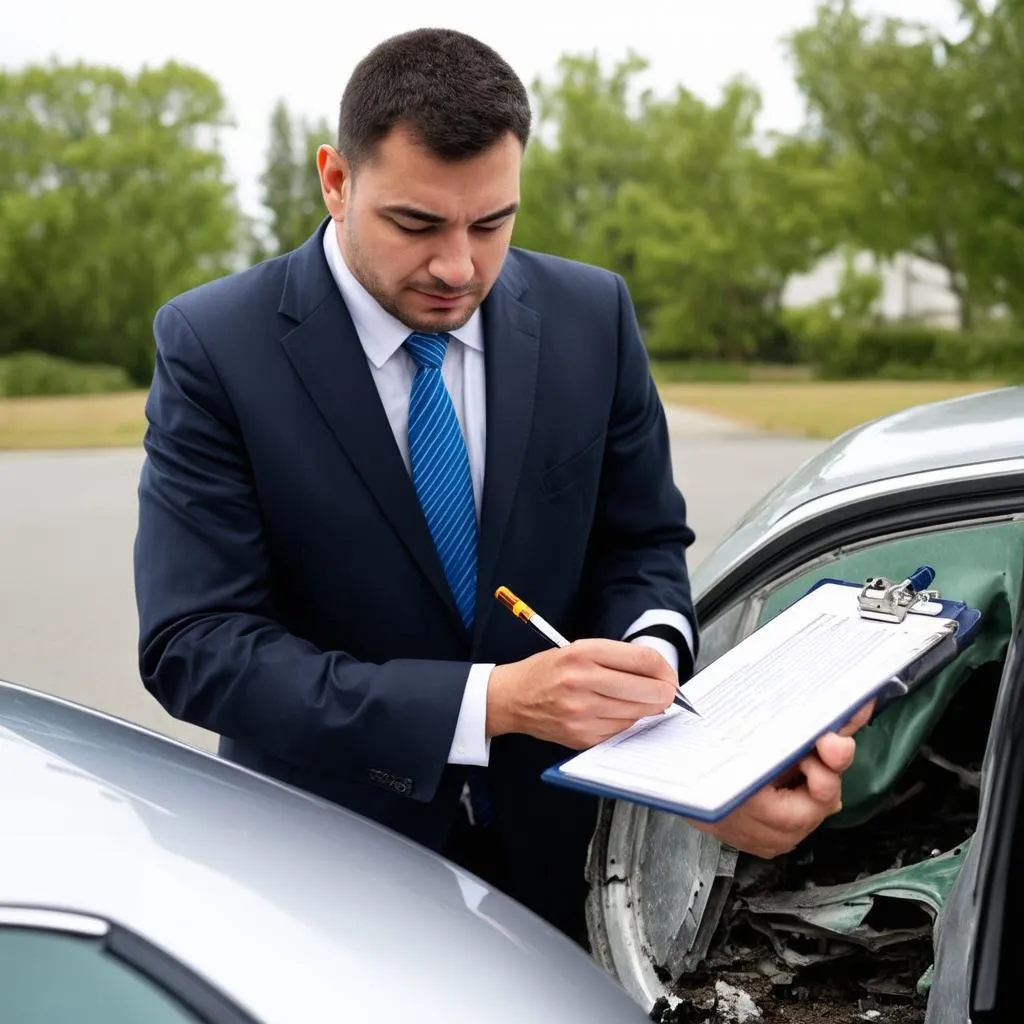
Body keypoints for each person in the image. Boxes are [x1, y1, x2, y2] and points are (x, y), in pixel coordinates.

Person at [133, 27, 871, 947]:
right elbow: (196, 646)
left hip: (574, 864)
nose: (458, 267)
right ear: (335, 179)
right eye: (416, 224)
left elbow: (639, 545)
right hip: (328, 875)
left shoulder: (592, 316)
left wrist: (648, 659)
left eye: (492, 224)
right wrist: (491, 704)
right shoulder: (213, 345)